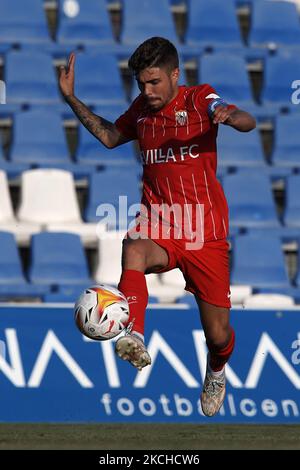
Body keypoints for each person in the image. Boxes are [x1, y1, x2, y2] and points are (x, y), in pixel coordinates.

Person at [59, 37, 256, 417]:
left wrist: (230, 116)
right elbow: (108, 136)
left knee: (218, 335)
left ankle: (216, 370)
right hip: (159, 223)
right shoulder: (141, 111)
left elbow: (246, 120)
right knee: (133, 246)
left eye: (154, 83)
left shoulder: (200, 100)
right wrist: (71, 98)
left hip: (204, 232)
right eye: (141, 84)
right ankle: (134, 334)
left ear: (175, 75)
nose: (147, 92)